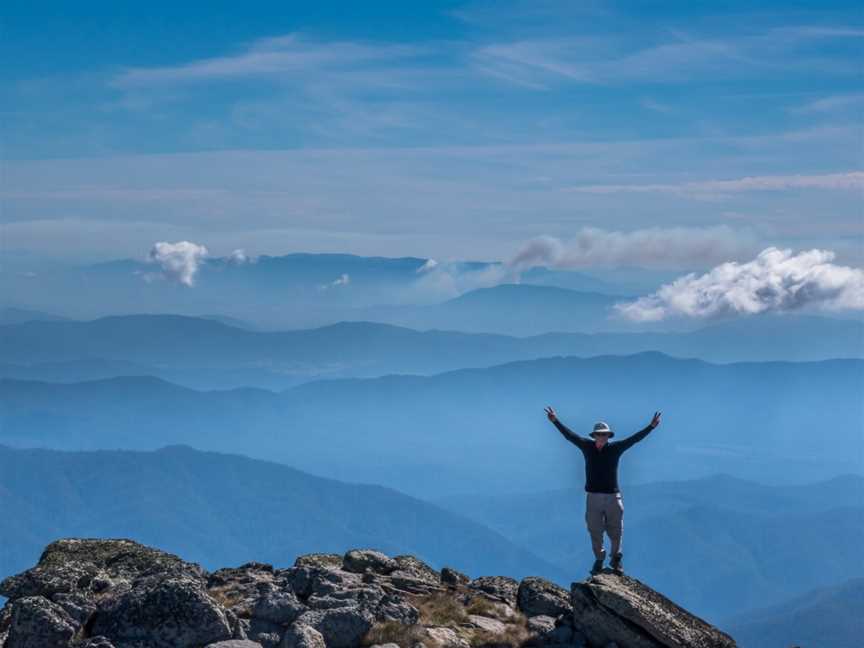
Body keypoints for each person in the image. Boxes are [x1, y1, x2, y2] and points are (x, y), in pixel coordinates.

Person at [544, 406, 661, 575]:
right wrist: (555, 421)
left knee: (616, 530)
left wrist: (651, 427)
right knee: (594, 529)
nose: (602, 436)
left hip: (613, 496)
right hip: (593, 497)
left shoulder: (615, 448)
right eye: (599, 434)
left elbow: (634, 439)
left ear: (608, 436)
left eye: (605, 434)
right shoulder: (586, 446)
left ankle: (616, 559)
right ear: (594, 436)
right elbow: (569, 436)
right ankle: (599, 559)